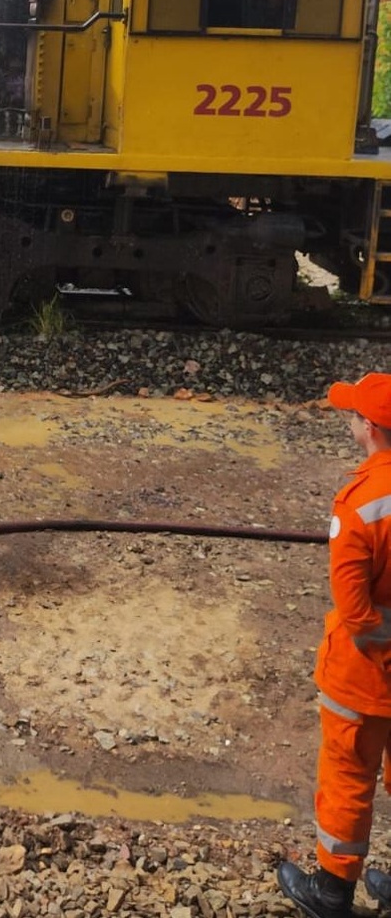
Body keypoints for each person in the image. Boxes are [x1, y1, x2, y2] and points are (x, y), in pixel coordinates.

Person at [279, 372, 391, 918]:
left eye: (352, 415)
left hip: (368, 678)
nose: (348, 421)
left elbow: (355, 608)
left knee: (349, 778)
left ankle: (330, 892)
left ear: (369, 428)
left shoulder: (361, 503)